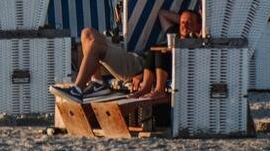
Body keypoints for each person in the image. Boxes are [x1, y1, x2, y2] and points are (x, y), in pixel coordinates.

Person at [53, 9, 203, 102]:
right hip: (136, 58)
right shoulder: (172, 33)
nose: (184, 25)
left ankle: (77, 90)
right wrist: (185, 18)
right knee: (87, 32)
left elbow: (167, 65)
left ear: (198, 26)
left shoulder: (197, 43)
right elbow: (162, 13)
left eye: (189, 22)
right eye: (182, 22)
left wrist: (197, 26)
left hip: (138, 68)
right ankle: (97, 83)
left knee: (95, 46)